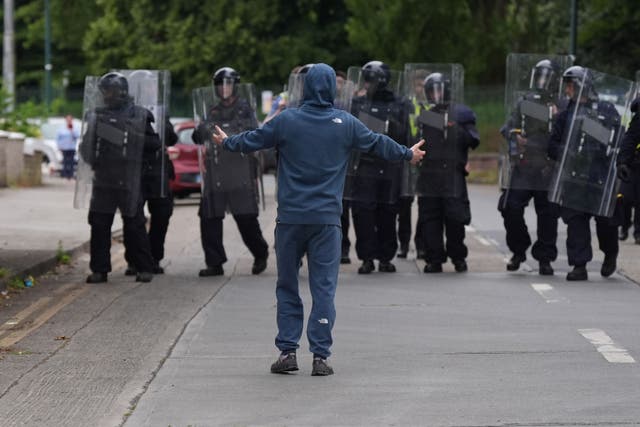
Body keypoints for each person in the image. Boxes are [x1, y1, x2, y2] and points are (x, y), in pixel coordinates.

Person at [210, 63, 425, 376]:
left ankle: (287, 352)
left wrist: (227, 141)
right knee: (323, 288)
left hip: (291, 220)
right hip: (326, 221)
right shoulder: (345, 123)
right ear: (333, 89)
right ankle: (320, 357)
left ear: (305, 88)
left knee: (287, 285)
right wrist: (408, 154)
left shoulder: (287, 121)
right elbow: (378, 143)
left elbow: (254, 140)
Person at [77, 71, 159, 283]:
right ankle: (100, 269)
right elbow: (86, 147)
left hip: (129, 178)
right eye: (105, 91)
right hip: (103, 179)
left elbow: (154, 145)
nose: (108, 95)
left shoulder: (138, 115)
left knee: (134, 224)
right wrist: (96, 160)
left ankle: (143, 267)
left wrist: (128, 138)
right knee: (99, 224)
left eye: (111, 90)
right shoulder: (98, 116)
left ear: (122, 91)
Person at [192, 67, 269, 277]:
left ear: (235, 86)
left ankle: (260, 252)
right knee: (209, 218)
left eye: (227, 84)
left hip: (239, 171)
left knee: (245, 218)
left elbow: (253, 133)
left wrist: (230, 134)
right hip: (215, 171)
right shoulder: (212, 110)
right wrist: (202, 130)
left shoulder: (245, 109)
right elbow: (199, 136)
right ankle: (214, 262)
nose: (224, 88)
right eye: (220, 85)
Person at [548, 66, 621, 281]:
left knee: (605, 223)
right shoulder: (564, 115)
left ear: (582, 86)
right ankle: (579, 264)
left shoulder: (606, 110)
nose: (567, 90)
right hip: (574, 178)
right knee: (576, 221)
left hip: (599, 175)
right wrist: (568, 154)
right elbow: (552, 146)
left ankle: (610, 253)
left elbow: (617, 138)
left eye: (571, 85)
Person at [348, 61, 412, 274]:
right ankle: (366, 257)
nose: (366, 84)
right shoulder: (357, 103)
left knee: (387, 212)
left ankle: (385, 257)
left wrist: (382, 125)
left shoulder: (399, 103)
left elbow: (403, 132)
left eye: (370, 80)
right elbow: (353, 130)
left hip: (389, 164)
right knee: (362, 212)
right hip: (364, 165)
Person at [498, 59, 561, 275]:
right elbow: (507, 128)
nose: (542, 81)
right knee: (509, 207)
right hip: (524, 165)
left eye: (547, 77)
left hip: (547, 167)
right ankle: (518, 249)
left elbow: (561, 137)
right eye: (540, 76)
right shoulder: (523, 102)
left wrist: (533, 141)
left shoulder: (560, 106)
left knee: (548, 214)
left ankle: (545, 258)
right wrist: (515, 136)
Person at [123, 70, 179, 276]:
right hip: (135, 171)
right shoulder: (126, 111)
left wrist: (162, 125)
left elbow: (171, 138)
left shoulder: (160, 110)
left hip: (158, 172)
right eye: (143, 85)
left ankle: (154, 257)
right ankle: (134, 260)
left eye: (150, 85)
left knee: (162, 214)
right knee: (133, 217)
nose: (148, 89)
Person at [617, 97, 640, 243]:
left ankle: (638, 233)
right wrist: (622, 161)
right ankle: (624, 225)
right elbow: (630, 137)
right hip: (633, 162)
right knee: (625, 198)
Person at [56, 115, 80, 179]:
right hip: (64, 147)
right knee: (65, 161)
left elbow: (77, 136)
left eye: (70, 119)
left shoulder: (75, 128)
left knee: (71, 161)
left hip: (72, 147)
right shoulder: (62, 128)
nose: (69, 120)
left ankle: (70, 175)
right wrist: (59, 146)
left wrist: (71, 130)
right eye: (68, 119)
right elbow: (58, 138)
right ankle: (65, 174)